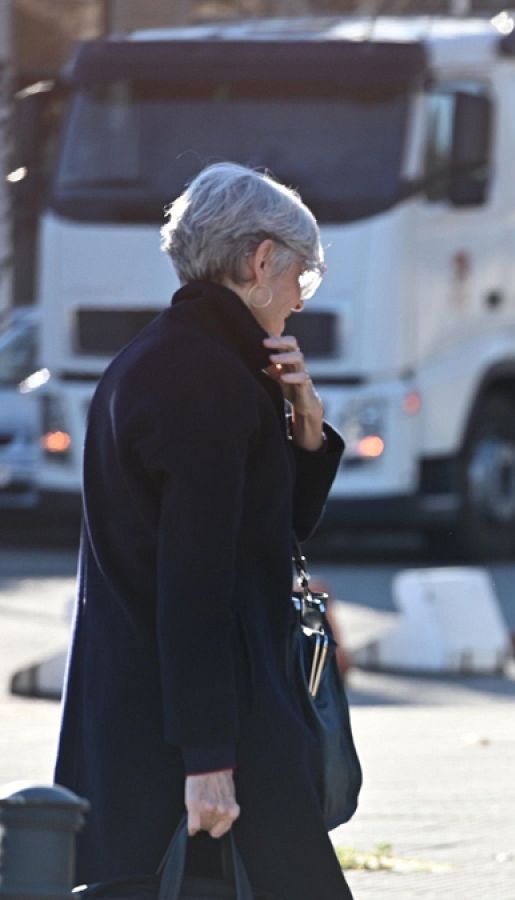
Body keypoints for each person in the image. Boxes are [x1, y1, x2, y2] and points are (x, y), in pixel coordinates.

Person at [54, 162, 349, 898]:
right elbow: (196, 584)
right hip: (204, 730)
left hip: (155, 713)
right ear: (259, 262)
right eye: (300, 277)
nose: (298, 302)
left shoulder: (160, 360)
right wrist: (208, 759)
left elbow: (260, 538)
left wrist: (308, 432)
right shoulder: (206, 381)